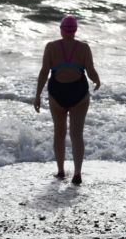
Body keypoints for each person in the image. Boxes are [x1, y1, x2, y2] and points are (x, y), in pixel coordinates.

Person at [34, 15, 101, 185]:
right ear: (75, 30)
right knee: (77, 134)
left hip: (57, 93)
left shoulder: (51, 47)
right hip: (79, 92)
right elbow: (91, 71)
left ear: (61, 29)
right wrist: (97, 80)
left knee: (59, 133)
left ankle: (61, 171)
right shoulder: (84, 48)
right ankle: (77, 173)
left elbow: (44, 72)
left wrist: (37, 95)